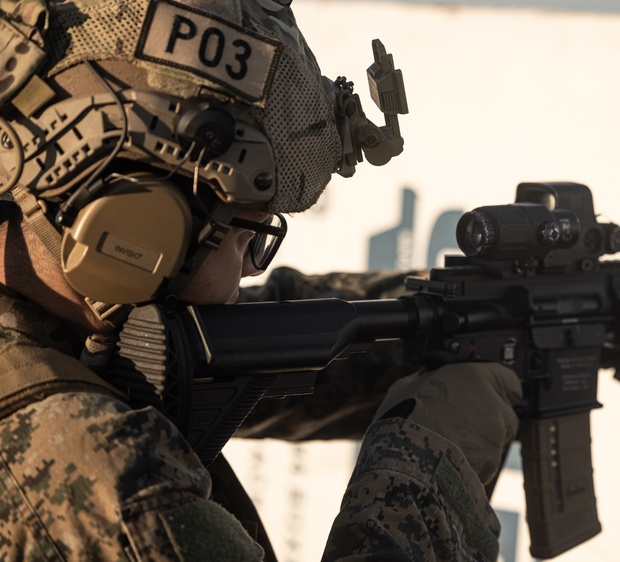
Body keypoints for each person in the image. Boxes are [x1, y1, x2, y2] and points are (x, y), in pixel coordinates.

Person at [0, 0, 521, 559]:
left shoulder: (61, 325)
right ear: (135, 232)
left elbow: (246, 341)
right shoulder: (98, 477)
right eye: (250, 237)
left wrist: (456, 314)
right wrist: (434, 464)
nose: (249, 272)